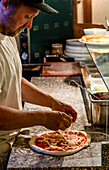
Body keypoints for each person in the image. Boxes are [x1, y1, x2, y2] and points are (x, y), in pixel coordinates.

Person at [0, 0, 77, 168]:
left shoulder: (8, 33)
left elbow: (13, 80)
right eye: (27, 16)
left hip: (12, 140)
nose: (29, 25)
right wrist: (41, 117)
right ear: (5, 5)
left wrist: (52, 102)